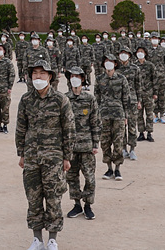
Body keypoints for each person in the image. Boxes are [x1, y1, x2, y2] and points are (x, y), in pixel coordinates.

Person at [16, 60, 75, 250]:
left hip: (54, 158)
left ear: (50, 76)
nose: (38, 77)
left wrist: (67, 157)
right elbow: (20, 128)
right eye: (34, 74)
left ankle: (52, 239)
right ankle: (37, 239)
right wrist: (21, 154)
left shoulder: (60, 100)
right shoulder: (26, 100)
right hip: (32, 157)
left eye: (42, 74)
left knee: (53, 198)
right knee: (33, 198)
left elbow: (69, 129)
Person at [64, 66, 99, 221]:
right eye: (72, 76)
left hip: (86, 145)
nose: (75, 78)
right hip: (70, 147)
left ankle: (88, 205)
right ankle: (77, 204)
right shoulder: (64, 98)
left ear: (83, 79)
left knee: (89, 178)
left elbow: (95, 122)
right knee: (72, 177)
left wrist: (96, 143)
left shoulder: (89, 99)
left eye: (77, 76)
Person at [95, 52, 132, 180]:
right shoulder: (99, 79)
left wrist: (126, 115)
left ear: (115, 64)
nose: (108, 63)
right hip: (104, 115)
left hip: (118, 115)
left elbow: (126, 98)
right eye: (106, 61)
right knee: (105, 142)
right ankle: (109, 169)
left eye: (111, 61)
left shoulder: (121, 79)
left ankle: (117, 169)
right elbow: (97, 98)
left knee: (118, 142)